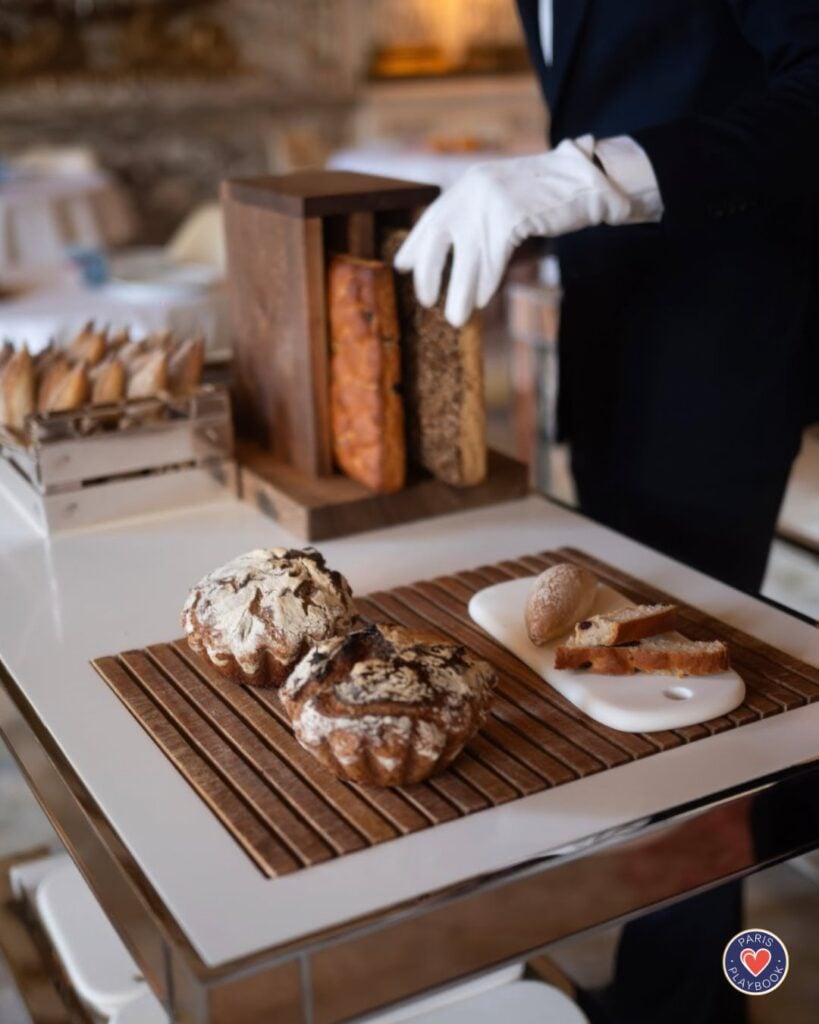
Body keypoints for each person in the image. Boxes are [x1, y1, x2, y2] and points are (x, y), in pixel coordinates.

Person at [394, 2, 819, 1023]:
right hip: (613, 340)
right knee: (631, 696)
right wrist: (560, 231)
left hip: (719, 356)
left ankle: (691, 999)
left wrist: (588, 179)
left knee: (689, 712)